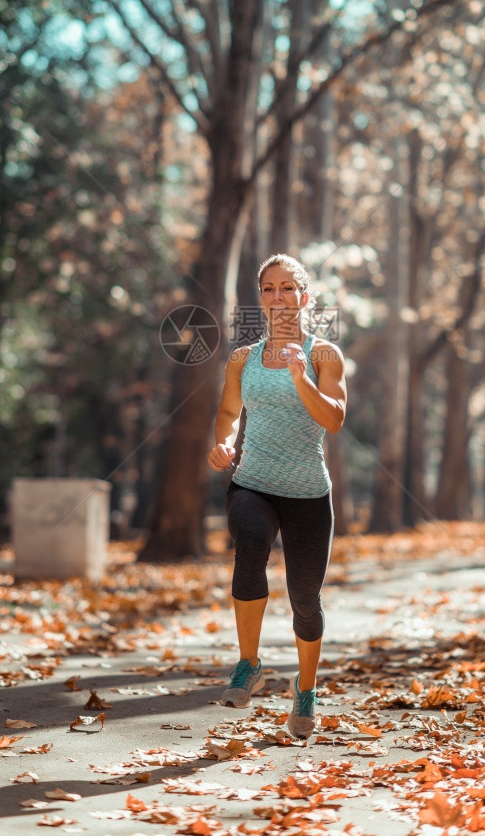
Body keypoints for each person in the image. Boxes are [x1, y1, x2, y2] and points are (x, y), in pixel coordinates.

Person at [207, 253, 347, 740]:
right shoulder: (243, 359)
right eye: (269, 289)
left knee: (305, 599)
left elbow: (333, 420)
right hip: (253, 482)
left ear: (304, 298)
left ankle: (305, 692)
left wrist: (299, 376)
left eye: (288, 288)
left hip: (308, 493)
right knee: (249, 544)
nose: (278, 297)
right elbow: (228, 413)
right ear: (260, 299)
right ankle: (249, 664)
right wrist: (224, 442)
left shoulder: (324, 354)